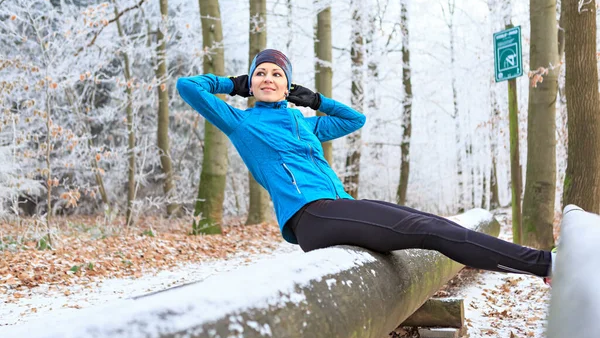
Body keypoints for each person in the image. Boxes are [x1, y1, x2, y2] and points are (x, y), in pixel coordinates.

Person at [177, 49, 555, 285]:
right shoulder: (241, 122)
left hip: (336, 206)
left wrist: (316, 99)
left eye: (277, 74)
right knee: (427, 230)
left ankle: (543, 264)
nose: (268, 79)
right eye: (261, 73)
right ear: (251, 82)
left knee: (431, 224)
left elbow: (354, 119)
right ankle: (545, 264)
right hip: (310, 215)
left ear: (289, 84)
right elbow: (188, 86)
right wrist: (232, 83)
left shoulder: (303, 123)